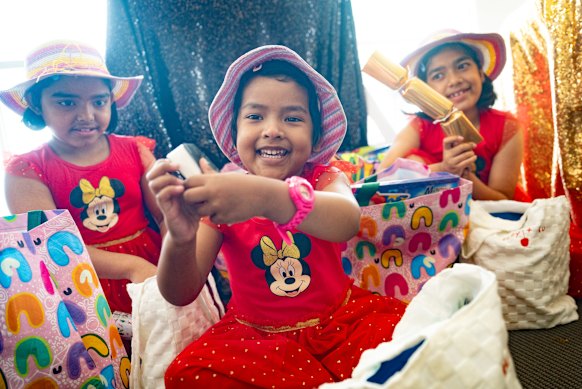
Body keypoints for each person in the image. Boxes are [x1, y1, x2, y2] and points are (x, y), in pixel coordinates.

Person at [147, 45, 406, 388]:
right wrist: (179, 237)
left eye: (292, 117)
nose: (272, 129)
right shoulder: (224, 200)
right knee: (184, 373)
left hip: (340, 325)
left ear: (315, 139)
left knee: (411, 339)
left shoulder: (324, 178)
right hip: (257, 341)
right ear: (234, 132)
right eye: (255, 117)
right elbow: (180, 293)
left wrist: (267, 198)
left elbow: (347, 220)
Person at [0, 40, 163, 316]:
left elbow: (165, 215)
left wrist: (178, 260)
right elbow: (53, 246)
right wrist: (131, 266)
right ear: (37, 105)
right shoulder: (26, 171)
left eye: (98, 101)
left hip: (154, 264)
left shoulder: (136, 149)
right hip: (83, 283)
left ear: (111, 100)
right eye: (66, 102)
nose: (86, 116)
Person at [379, 30, 527, 201]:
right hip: (435, 215)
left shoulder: (507, 127)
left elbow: (503, 199)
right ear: (426, 89)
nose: (454, 80)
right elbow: (384, 177)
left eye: (462, 66)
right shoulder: (418, 127)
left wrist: (465, 177)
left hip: (492, 212)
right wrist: (445, 169)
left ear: (480, 73)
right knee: (413, 161)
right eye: (438, 75)